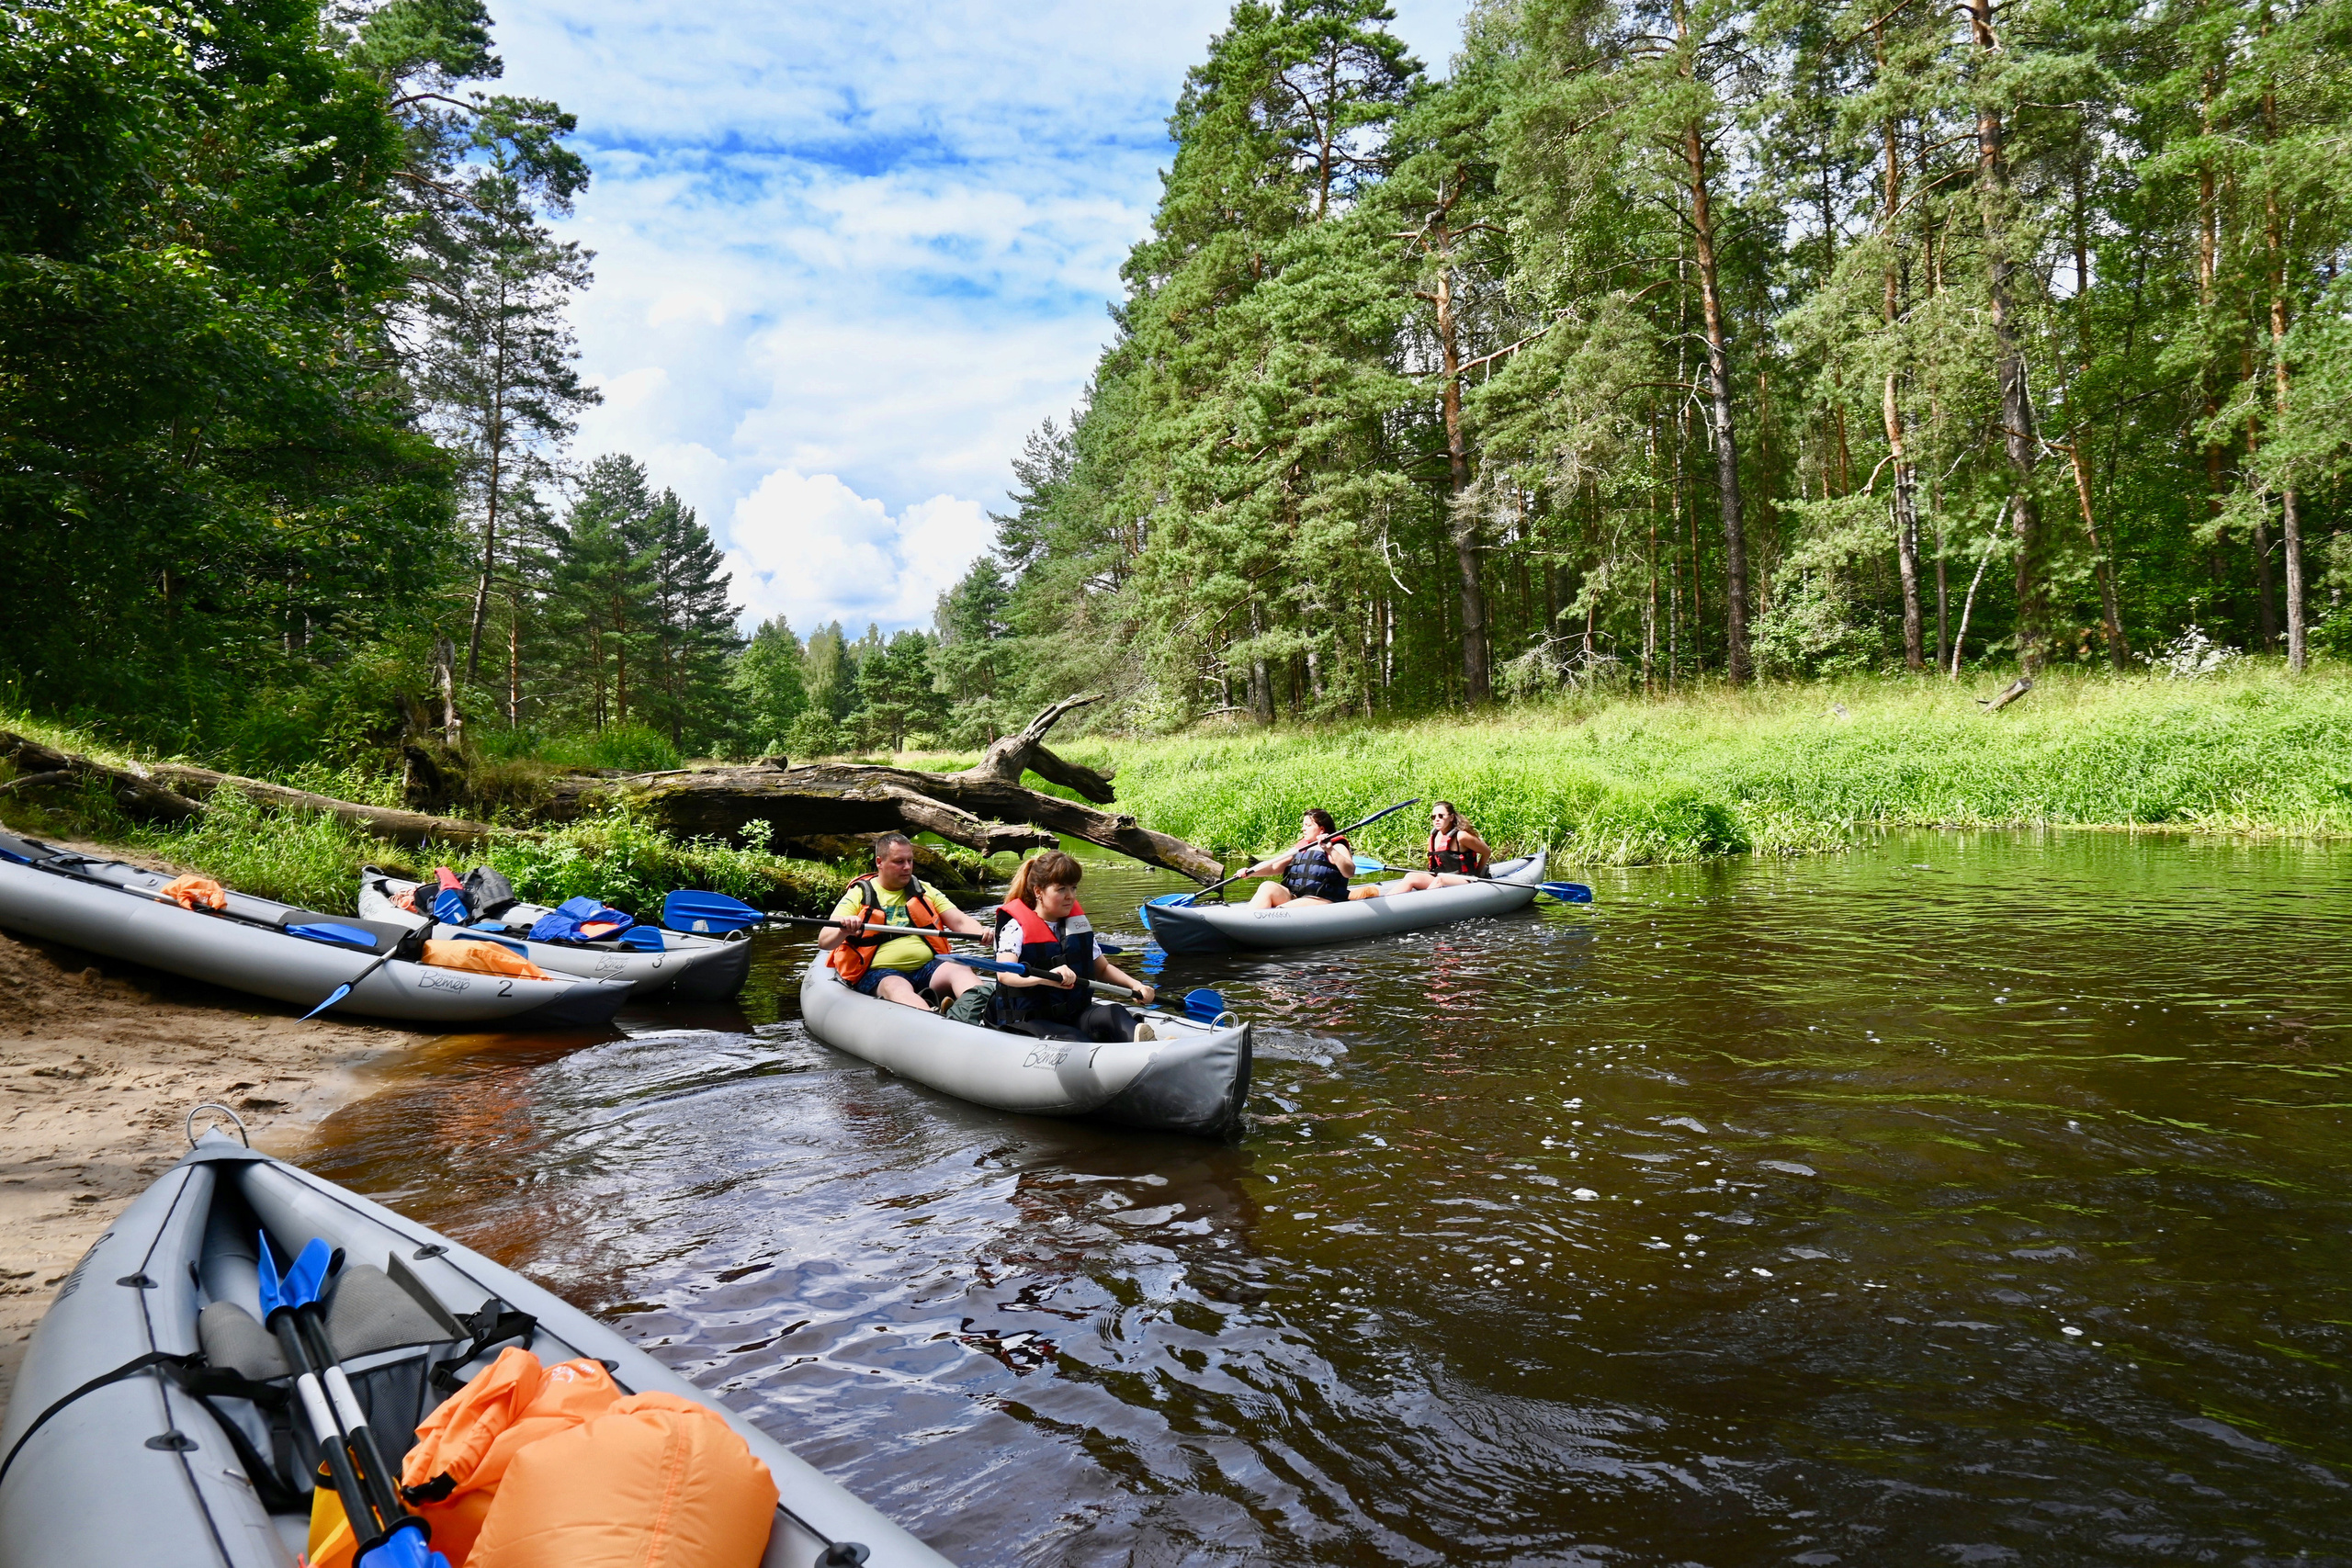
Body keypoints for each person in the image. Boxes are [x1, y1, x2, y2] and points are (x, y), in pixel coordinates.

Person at [989, 851, 1158, 1041]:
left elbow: (1102, 968)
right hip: (1029, 1021)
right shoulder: (1015, 928)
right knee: (1075, 1038)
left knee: (1114, 1013)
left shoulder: (1077, 926)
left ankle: (1151, 1050)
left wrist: (1136, 985)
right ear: (1039, 891)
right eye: (1061, 889)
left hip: (1072, 1014)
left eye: (1073, 888)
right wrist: (1047, 978)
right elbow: (1005, 974)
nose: (1070, 896)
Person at [818, 833, 989, 1011]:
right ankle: (931, 1018)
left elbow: (960, 921)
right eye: (899, 861)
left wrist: (981, 932)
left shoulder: (924, 890)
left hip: (928, 967)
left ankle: (982, 1012)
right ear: (879, 862)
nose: (907, 867)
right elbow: (824, 941)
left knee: (959, 970)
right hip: (881, 973)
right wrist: (843, 930)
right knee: (895, 986)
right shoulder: (859, 895)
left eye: (910, 861)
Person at [1349, 801, 1491, 898]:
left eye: (1441, 816)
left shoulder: (1461, 836)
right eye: (1434, 817)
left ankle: (1420, 903)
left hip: (1465, 880)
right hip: (1441, 878)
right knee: (1411, 876)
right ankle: (1386, 901)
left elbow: (1486, 852)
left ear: (1451, 817)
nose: (1437, 819)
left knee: (1440, 880)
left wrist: (1477, 874)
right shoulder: (1435, 836)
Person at [1243, 809, 1357, 909]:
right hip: (1295, 897)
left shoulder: (1336, 846)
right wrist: (1250, 872)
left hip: (1321, 899)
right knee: (1267, 886)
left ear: (1321, 829)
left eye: (1307, 825)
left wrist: (1330, 850)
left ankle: (1265, 923)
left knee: (1284, 908)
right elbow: (1273, 867)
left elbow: (1349, 872)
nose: (1303, 829)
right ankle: (1248, 921)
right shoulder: (1301, 847)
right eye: (1303, 825)